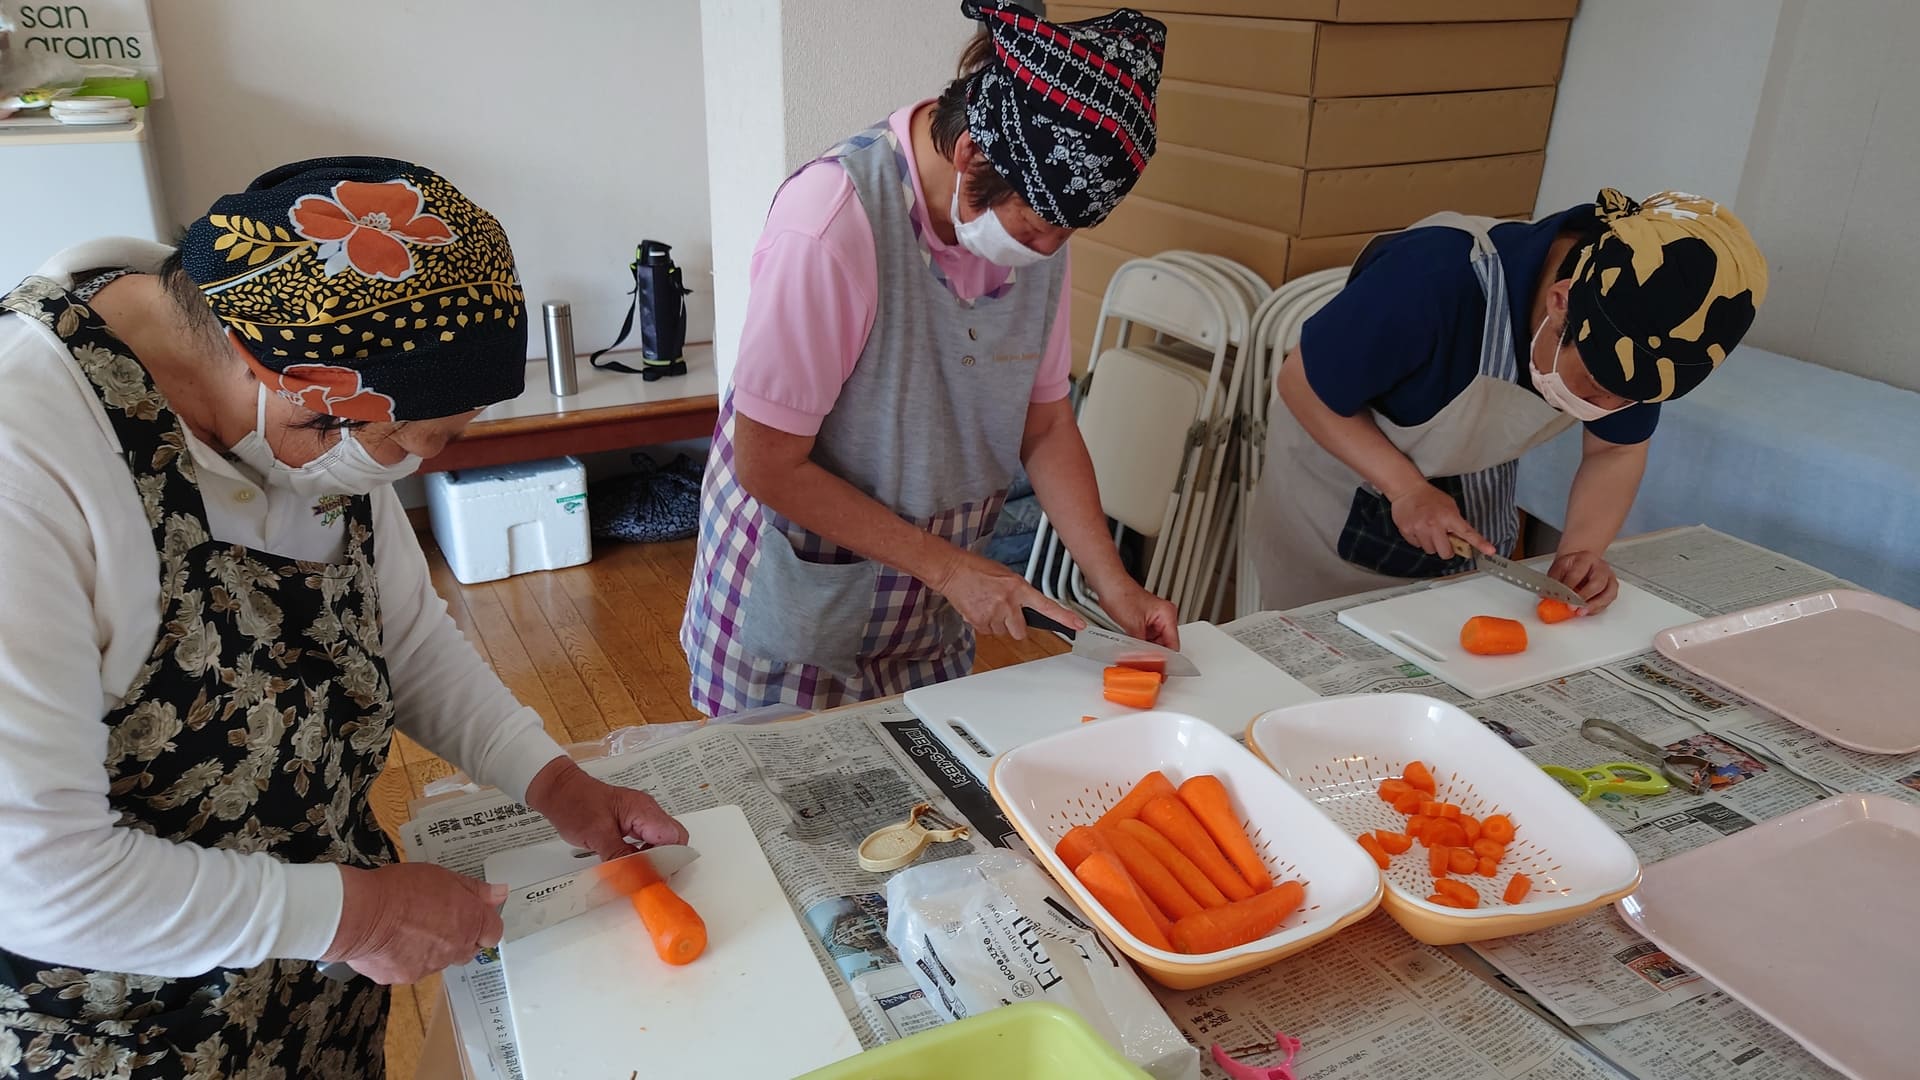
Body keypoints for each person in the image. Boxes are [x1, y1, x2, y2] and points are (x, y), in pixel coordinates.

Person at [0, 157, 686, 1077]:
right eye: (400, 440)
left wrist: (558, 784)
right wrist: (361, 914)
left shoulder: (306, 399)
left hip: (318, 976)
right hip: (119, 1022)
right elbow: (40, 880)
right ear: (286, 382)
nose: (404, 468)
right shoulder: (28, 459)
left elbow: (398, 639)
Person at [682, 1, 1178, 717]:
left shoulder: (1036, 227)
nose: (1049, 254)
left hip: (927, 610)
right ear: (973, 155)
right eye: (1039, 229)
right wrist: (951, 570)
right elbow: (766, 462)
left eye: (1067, 234)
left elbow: (1044, 426)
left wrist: (1114, 585)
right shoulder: (831, 223)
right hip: (803, 604)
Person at [1248, 190, 1768, 612]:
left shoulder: (1644, 338)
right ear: (1559, 303)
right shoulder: (1432, 279)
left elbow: (1617, 450)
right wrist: (1405, 487)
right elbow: (1301, 383)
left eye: (1626, 396)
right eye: (1594, 383)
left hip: (1469, 498)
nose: (1607, 404)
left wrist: (1583, 551)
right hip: (1339, 484)